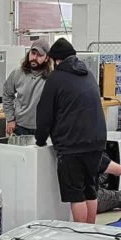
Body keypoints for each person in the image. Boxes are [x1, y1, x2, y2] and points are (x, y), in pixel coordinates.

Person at [36, 39, 107, 224]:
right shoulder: (88, 74)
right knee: (90, 189)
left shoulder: (55, 78)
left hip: (72, 144)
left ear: (55, 59)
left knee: (76, 194)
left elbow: (45, 113)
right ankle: (91, 229)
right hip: (97, 141)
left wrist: (40, 140)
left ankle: (80, 234)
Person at [3, 39, 50, 137]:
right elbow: (7, 95)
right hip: (20, 127)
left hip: (43, 128)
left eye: (39, 55)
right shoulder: (17, 73)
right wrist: (10, 119)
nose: (34, 58)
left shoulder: (52, 77)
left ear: (46, 58)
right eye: (33, 53)